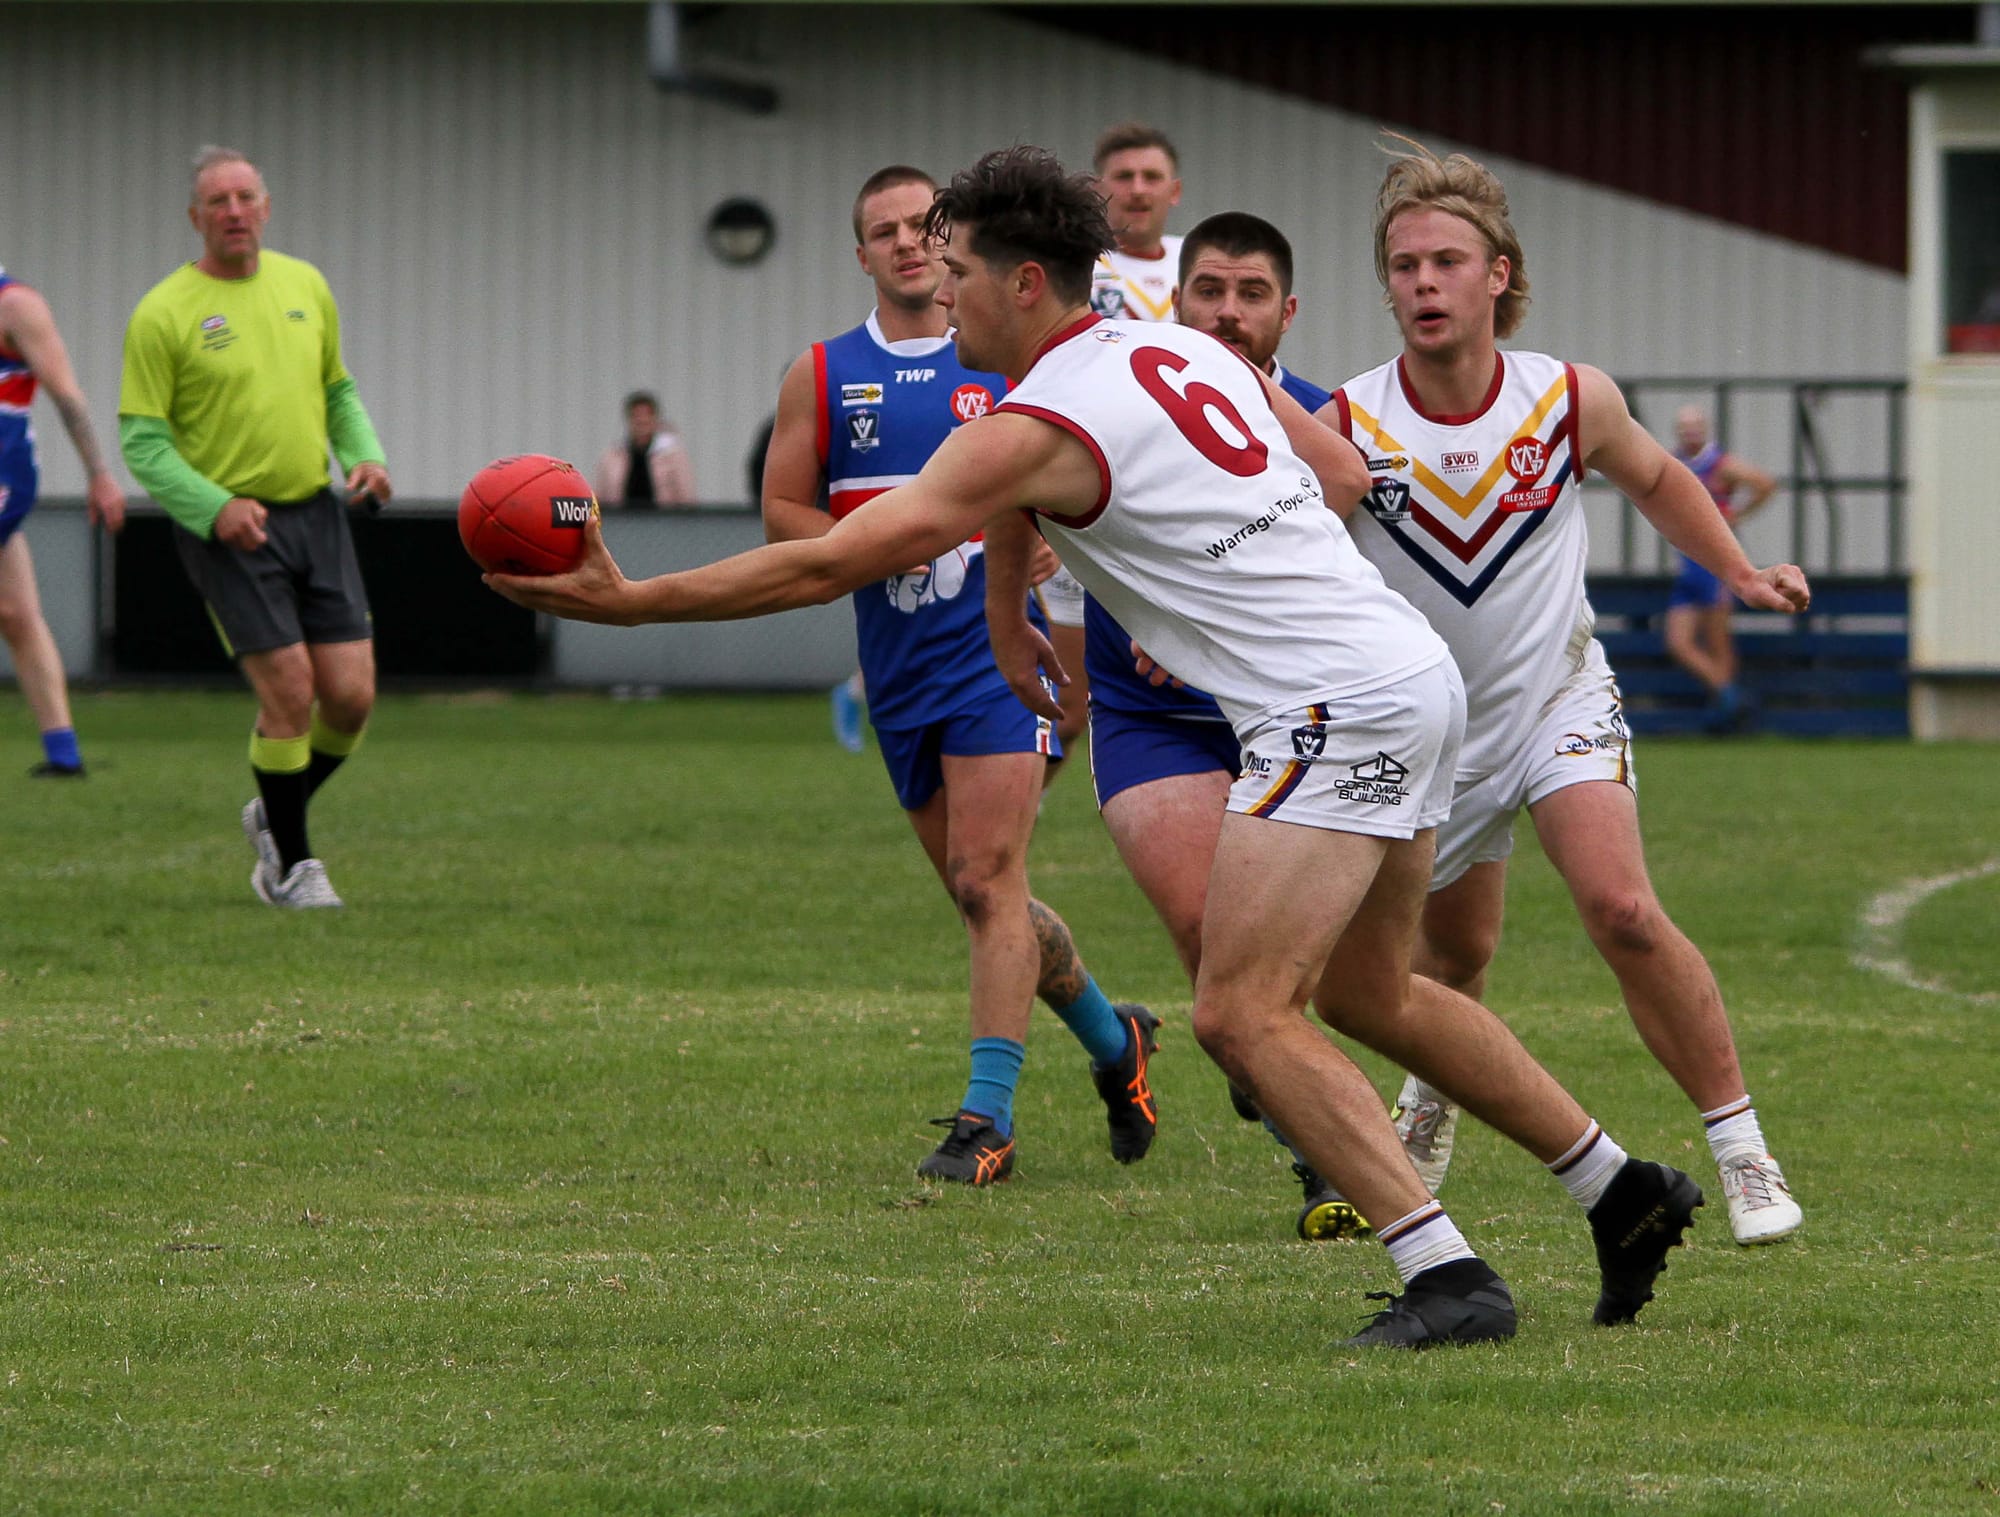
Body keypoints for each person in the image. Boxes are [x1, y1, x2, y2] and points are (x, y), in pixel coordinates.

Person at [491, 146, 1704, 1348]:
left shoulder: (1033, 418)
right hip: (1405, 676)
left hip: (1334, 707)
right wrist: (1016, 610)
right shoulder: (1171, 343)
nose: (936, 285)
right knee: (1369, 993)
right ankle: (1620, 1189)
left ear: (1023, 285)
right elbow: (1323, 470)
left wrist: (632, 602)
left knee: (1238, 1014)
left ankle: (1446, 1273)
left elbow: (828, 559)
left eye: (955, 266)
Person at [1325, 141, 1807, 1247]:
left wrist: (1737, 570)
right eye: (1402, 265)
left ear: (1499, 273)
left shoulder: (1565, 396)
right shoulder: (1345, 425)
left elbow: (1653, 474)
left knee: (1622, 911)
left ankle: (1741, 1151)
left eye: (1446, 261)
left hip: (1556, 700)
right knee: (1446, 960)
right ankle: (1430, 1097)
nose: (1422, 283)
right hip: (1433, 733)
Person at [751, 163, 1157, 1184]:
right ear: (860, 254)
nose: (904, 243)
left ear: (949, 243)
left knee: (987, 878)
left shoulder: (1015, 366)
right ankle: (1118, 1044)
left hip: (995, 657)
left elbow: (1079, 476)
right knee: (988, 899)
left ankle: (987, 1120)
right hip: (895, 672)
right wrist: (882, 536)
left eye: (920, 227)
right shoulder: (824, 372)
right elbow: (782, 523)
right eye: (880, 229)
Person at [1069, 211, 1364, 1238]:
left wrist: (1201, 619)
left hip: (1281, 710)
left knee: (1278, 972)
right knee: (1211, 941)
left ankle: (1275, 1077)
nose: (1226, 315)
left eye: (1248, 296)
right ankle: (1318, 1160)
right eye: (1207, 292)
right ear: (1173, 300)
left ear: (1285, 313)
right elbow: (1022, 506)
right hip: (1150, 713)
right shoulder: (1117, 394)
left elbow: (1345, 539)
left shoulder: (1330, 421)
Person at [119, 146, 391, 910]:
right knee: (291, 694)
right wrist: (215, 507)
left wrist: (364, 457)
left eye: (245, 197)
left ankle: (275, 808)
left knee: (352, 699)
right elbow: (143, 440)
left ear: (265, 207)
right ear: (196, 218)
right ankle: (293, 868)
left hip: (317, 514)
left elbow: (337, 388)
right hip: (229, 530)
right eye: (217, 201)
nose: (234, 211)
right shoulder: (163, 312)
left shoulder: (305, 285)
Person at [1029, 120, 1192, 769]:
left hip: (1178, 503)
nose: (1137, 189)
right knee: (1069, 704)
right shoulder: (1074, 270)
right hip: (1086, 492)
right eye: (1123, 177)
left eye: (1151, 177)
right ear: (1099, 189)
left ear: (1174, 189)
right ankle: (1011, 824)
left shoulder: (1200, 266)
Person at [0, 267, 128, 776]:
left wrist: (99, 474)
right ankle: (63, 753)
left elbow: (66, 394)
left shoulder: (17, 305)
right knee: (16, 613)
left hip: (5, 472)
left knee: (18, 614)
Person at [1664, 405, 1777, 732]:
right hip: (1688, 563)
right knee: (1679, 642)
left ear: (1706, 429)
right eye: (1684, 427)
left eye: (1695, 426)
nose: (1690, 433)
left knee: (1718, 639)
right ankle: (1731, 697)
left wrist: (1735, 514)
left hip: (1714, 563)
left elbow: (1764, 483)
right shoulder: (1674, 462)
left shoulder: (1720, 464)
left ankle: (1728, 713)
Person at [594, 390, 696, 508]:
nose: (642, 420)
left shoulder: (673, 456)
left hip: (664, 521)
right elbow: (600, 496)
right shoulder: (613, 456)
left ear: (655, 418)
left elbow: (686, 497)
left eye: (647, 415)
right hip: (623, 521)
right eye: (636, 416)